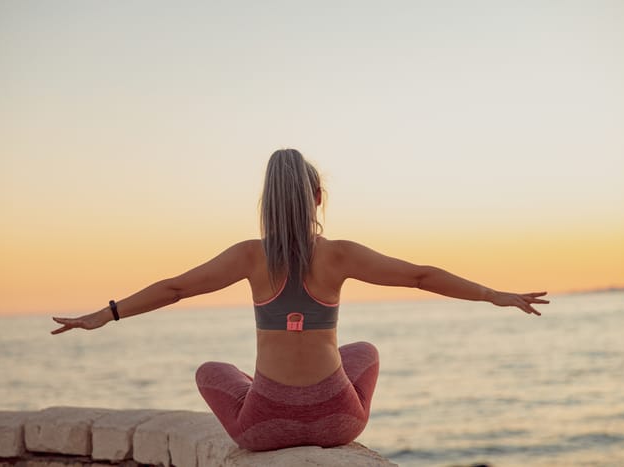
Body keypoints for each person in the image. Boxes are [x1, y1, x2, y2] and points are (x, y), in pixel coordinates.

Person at [51, 148, 549, 451]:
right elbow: (420, 275)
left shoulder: (249, 256)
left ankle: (266, 390)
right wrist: (494, 295)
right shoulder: (339, 255)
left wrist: (105, 314)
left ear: (267, 200)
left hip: (262, 429)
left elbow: (175, 288)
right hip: (340, 424)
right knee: (365, 351)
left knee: (211, 370)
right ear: (316, 197)